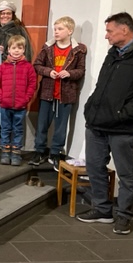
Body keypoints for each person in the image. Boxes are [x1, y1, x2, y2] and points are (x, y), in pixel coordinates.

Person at [78, 12, 133, 235]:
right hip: (97, 123)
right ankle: (102, 210)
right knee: (94, 167)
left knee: (126, 173)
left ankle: (123, 216)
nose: (106, 35)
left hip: (124, 127)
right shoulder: (113, 52)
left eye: (109, 31)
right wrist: (90, 108)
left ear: (124, 29)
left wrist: (123, 114)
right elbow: (102, 85)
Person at [29, 16, 86, 170]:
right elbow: (37, 65)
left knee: (61, 126)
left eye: (60, 29)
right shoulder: (48, 47)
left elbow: (81, 70)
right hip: (47, 92)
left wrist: (69, 73)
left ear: (70, 31)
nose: (56, 32)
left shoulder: (78, 50)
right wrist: (49, 72)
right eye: (55, 29)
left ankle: (55, 152)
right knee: (42, 123)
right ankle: (40, 150)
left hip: (65, 94)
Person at [0, 0, 34, 149]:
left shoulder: (19, 30)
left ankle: (6, 139)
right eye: (2, 13)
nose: (5, 16)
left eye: (8, 13)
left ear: (12, 15)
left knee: (8, 107)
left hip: (12, 75)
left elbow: (27, 51)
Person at [0, 35, 37, 166]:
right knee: (5, 129)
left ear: (24, 49)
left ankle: (16, 153)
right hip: (5, 105)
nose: (16, 50)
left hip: (20, 106)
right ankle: (5, 153)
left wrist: (26, 99)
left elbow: (32, 84)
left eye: (20, 48)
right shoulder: (3, 67)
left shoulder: (28, 67)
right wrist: (1, 98)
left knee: (18, 130)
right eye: (13, 48)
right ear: (8, 49)